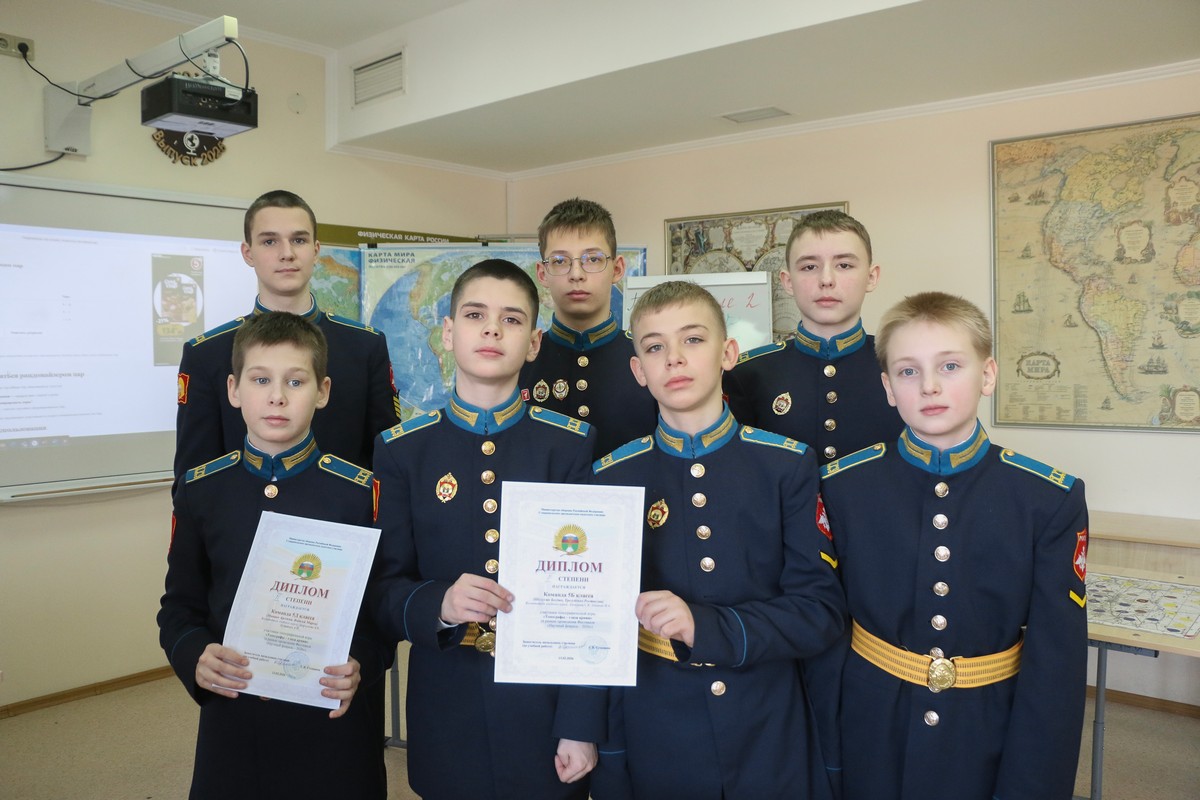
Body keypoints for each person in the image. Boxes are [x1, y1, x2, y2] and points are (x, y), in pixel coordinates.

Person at [820, 291, 1089, 800]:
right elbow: (826, 635)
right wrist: (828, 763)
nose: (930, 386)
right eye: (908, 371)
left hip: (987, 729)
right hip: (871, 727)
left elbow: (1057, 664)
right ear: (888, 388)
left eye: (950, 365)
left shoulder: (1047, 499)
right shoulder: (842, 487)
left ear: (987, 375)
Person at [590, 280, 846, 800]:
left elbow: (819, 613)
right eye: (655, 347)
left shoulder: (786, 466)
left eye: (693, 339)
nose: (674, 358)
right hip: (657, 728)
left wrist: (705, 626)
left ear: (728, 353)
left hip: (766, 727)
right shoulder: (611, 478)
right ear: (638, 370)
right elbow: (595, 627)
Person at [370, 259, 601, 800]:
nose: (492, 330)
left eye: (511, 319)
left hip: (545, 704)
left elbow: (592, 598)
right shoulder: (404, 451)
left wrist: (581, 722)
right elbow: (381, 588)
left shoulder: (569, 446)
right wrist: (439, 604)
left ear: (534, 342)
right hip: (447, 700)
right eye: (475, 315)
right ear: (448, 333)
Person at [158, 312, 390, 799]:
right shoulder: (204, 491)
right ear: (233, 390)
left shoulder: (360, 495)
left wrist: (362, 663)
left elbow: (380, 611)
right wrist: (195, 655)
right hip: (234, 718)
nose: (277, 397)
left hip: (332, 721)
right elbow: (179, 607)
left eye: (296, 381)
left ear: (323, 391)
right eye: (260, 380)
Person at [174, 189, 399, 486]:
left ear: (316, 251)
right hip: (242, 512)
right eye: (270, 241)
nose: (287, 253)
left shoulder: (364, 347)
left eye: (299, 240)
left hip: (343, 511)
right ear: (248, 253)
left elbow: (387, 463)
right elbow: (193, 481)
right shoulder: (207, 354)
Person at [725, 209, 902, 465]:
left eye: (844, 265)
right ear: (787, 281)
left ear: (871, 277)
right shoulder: (746, 374)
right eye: (809, 267)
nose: (826, 280)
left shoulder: (902, 365)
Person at [520, 197, 657, 458]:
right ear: (542, 273)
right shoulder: (520, 361)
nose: (576, 274)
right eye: (560, 261)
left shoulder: (649, 357)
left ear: (617, 269)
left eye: (592, 259)